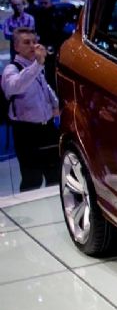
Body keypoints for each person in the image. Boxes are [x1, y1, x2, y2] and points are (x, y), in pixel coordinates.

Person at [1, 27, 60, 191]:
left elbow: (45, 88)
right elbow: (15, 86)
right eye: (27, 42)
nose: (33, 46)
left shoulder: (37, 67)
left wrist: (56, 106)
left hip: (47, 128)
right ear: (16, 47)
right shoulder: (11, 69)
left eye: (34, 41)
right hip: (26, 132)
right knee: (32, 179)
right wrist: (37, 65)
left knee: (55, 174)